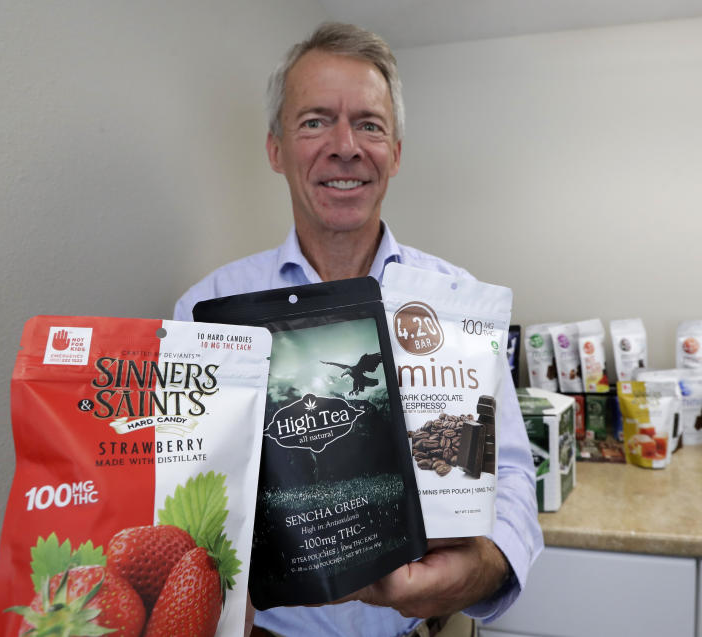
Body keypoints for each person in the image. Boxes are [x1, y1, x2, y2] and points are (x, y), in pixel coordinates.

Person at [174, 22, 543, 637]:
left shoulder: (455, 304)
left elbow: (508, 473)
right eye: (315, 121)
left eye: (369, 124)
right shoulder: (206, 310)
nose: (345, 146)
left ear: (395, 152)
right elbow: (187, 492)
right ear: (275, 149)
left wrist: (486, 566)